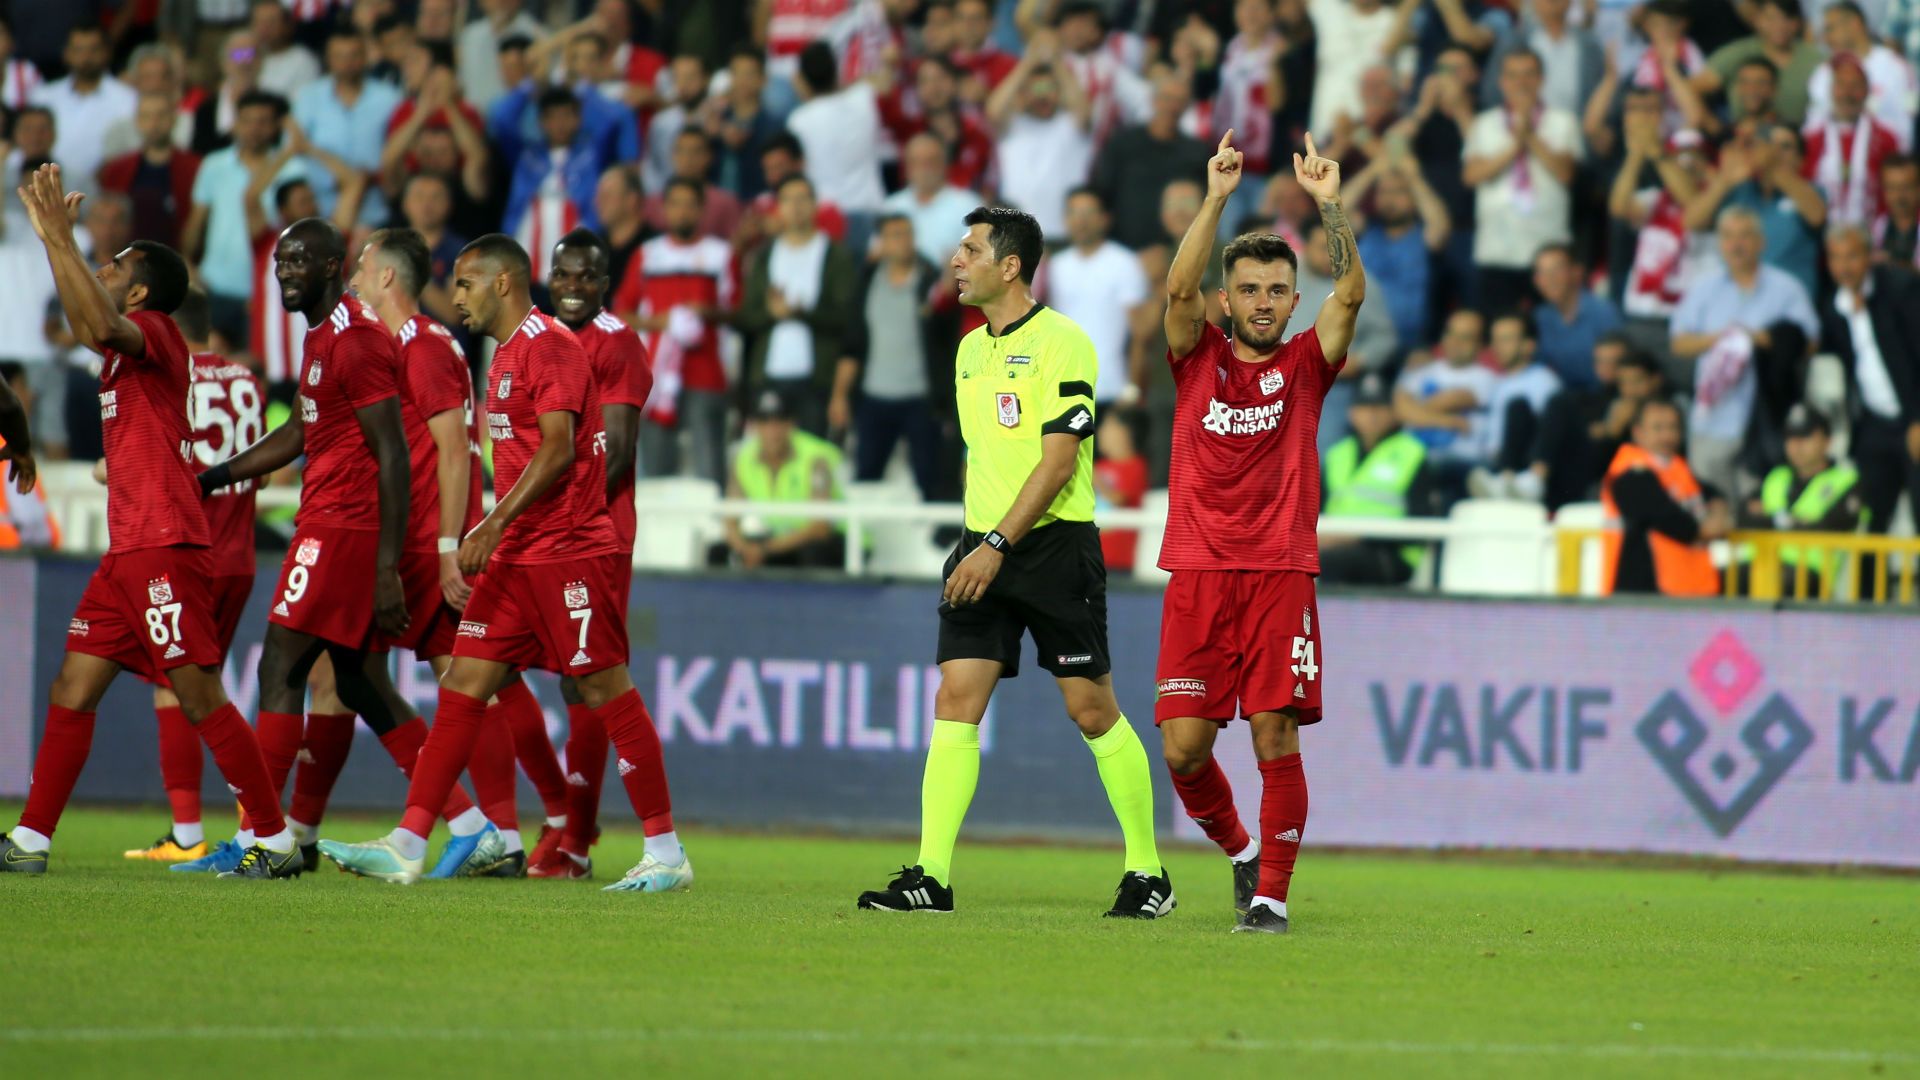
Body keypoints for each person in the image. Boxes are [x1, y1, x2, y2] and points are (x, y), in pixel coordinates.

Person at [318, 234, 688, 894]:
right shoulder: (504, 353)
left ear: (501, 285)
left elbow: (560, 451)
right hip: (520, 558)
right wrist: (501, 535)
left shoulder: (551, 346)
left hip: (570, 552)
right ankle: (408, 843)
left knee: (606, 691)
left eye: (463, 283)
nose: (453, 295)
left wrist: (490, 522)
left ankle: (665, 851)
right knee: (462, 685)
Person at [855, 204, 1169, 918]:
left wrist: (997, 546)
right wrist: (978, 541)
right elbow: (984, 458)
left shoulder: (1065, 343)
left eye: (970, 250)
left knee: (1091, 710)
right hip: (980, 547)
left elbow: (1059, 463)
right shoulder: (969, 348)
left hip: (1051, 547)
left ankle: (1149, 872)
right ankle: (931, 875)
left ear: (1011, 266)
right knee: (955, 701)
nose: (956, 261)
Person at [0, 164, 295, 878]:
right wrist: (52, 244)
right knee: (73, 686)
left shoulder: (158, 332)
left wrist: (62, 237)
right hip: (129, 547)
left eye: (117, 263)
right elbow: (84, 321)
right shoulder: (117, 349)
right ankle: (32, 839)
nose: (103, 266)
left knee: (197, 692)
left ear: (140, 294)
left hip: (164, 541)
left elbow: (95, 321)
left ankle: (275, 838)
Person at [197, 216, 488, 874]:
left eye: (299, 261)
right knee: (356, 681)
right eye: (279, 263)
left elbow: (393, 456)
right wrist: (216, 477)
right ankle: (469, 821)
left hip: (341, 528)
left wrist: (388, 565)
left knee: (281, 669)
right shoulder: (325, 338)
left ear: (332, 268)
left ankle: (264, 840)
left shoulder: (354, 341)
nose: (285, 273)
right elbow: (300, 432)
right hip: (337, 525)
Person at [1152, 130, 1362, 934]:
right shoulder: (1195, 357)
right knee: (1183, 749)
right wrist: (1215, 197)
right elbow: (1176, 293)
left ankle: (1271, 898)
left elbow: (1349, 298)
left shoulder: (1309, 364)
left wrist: (1329, 204)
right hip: (1200, 572)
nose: (1266, 301)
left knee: (1275, 734)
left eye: (1279, 288)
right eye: (1250, 289)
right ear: (1228, 300)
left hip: (1278, 571)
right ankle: (1241, 853)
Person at [348, 225, 541, 877]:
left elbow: (457, 450)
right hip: (421, 539)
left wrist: (448, 546)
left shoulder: (422, 348)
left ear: (385, 278)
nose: (351, 281)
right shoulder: (413, 344)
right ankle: (490, 831)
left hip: (432, 543)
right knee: (463, 681)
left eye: (360, 269)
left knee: (465, 681)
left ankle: (496, 832)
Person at [109, 288, 260, 864]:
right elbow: (257, 471)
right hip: (239, 555)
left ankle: (192, 831)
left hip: (185, 550)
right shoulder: (246, 380)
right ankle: (245, 821)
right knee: (202, 685)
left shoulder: (167, 373)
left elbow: (170, 461)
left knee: (174, 690)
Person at [528, 227, 657, 879]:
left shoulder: (618, 343)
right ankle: (558, 820)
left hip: (593, 536)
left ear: (604, 283)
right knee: (482, 668)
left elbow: (620, 451)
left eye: (586, 277)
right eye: (563, 276)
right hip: (536, 535)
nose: (572, 287)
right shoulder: (536, 340)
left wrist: (563, 520)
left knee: (586, 681)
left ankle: (573, 840)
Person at [1669, 206, 1820, 498]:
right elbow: (1678, 342)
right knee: (1711, 504)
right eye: (1728, 237)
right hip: (1714, 419)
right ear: (1719, 243)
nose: (1737, 244)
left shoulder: (1786, 288)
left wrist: (1762, 340)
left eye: (1745, 236)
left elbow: (1810, 342)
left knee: (1761, 507)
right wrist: (1722, 339)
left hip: (1767, 418)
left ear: (1761, 242)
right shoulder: (1703, 288)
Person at [612, 177, 738, 486]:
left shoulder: (721, 254)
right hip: (655, 376)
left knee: (710, 462)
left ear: (701, 210)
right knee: (656, 466)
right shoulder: (648, 254)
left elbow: (737, 311)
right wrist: (662, 322)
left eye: (690, 205)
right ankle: (660, 534)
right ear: (664, 209)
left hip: (706, 373)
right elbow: (621, 313)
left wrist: (707, 312)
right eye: (675, 204)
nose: (682, 212)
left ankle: (714, 531)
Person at [830, 213, 945, 495]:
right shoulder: (867, 283)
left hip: (921, 398)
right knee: (866, 479)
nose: (904, 241)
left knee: (930, 480)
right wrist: (840, 395)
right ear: (881, 242)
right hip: (873, 398)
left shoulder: (931, 282)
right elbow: (852, 344)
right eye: (895, 235)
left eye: (908, 233)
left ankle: (933, 539)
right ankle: (865, 539)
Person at [1820, 224, 1920, 546]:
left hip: (1914, 419)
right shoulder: (1833, 307)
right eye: (1836, 258)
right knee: (1867, 519)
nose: (1844, 267)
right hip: (1875, 425)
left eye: (1852, 256)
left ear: (1870, 257)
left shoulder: (1902, 290)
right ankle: (1864, 598)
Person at [1462, 49, 1582, 312]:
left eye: (1529, 75)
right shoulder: (1484, 123)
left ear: (1541, 79)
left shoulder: (1563, 122)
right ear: (1501, 82)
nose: (1521, 83)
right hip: (1496, 250)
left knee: (1549, 329)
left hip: (1547, 250)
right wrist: (1516, 143)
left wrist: (1530, 135)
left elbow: (1565, 173)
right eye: (1513, 76)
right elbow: (1472, 175)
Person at [184, 89, 306, 349]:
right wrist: (189, 264)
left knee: (256, 369)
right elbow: (196, 225)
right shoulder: (213, 165)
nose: (254, 128)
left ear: (276, 126)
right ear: (235, 124)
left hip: (265, 291)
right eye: (247, 120)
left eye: (263, 121)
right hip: (214, 286)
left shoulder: (293, 169)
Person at [738, 175, 856, 434]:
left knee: (814, 460)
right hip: (768, 375)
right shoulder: (764, 255)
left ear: (815, 205)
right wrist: (771, 312)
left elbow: (845, 317)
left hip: (816, 380)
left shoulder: (835, 255)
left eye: (803, 199)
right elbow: (747, 316)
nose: (796, 206)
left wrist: (800, 313)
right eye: (788, 200)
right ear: (778, 207)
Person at [1600, 397, 1729, 596]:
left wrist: (1718, 510)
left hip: (1686, 587)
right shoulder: (1630, 473)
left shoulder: (1676, 466)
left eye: (1673, 428)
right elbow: (1668, 518)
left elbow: (1711, 493)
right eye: (1658, 428)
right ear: (1638, 432)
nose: (1667, 436)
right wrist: (1708, 528)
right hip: (1641, 592)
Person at [1038, 187, 1150, 412]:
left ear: (1105, 218)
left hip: (1112, 390)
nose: (1080, 221)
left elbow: (1140, 333)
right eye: (1073, 213)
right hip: (1063, 390)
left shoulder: (1124, 263)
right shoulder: (1054, 266)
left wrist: (1133, 390)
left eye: (1088, 213)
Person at [1735, 404, 1864, 597]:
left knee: (1783, 580)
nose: (1797, 444)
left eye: (1806, 436)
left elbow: (1830, 526)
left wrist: (1771, 518)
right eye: (1790, 437)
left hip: (1811, 578)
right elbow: (1744, 517)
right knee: (1718, 576)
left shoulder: (1846, 479)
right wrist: (1794, 521)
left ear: (1827, 440)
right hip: (1761, 568)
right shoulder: (1776, 477)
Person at [713, 388, 849, 570]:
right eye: (765, 422)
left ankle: (819, 599)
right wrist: (745, 548)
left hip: (835, 538)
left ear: (792, 424)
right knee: (719, 552)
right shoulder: (744, 459)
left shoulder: (816, 459)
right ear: (755, 426)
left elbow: (820, 527)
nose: (773, 430)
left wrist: (765, 549)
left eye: (780, 422)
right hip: (782, 539)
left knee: (814, 553)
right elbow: (730, 520)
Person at [1293, 216, 1398, 449]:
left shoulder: (1360, 283)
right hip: (1275, 382)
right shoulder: (1282, 276)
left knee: (1320, 454)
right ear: (1305, 246)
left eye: (1336, 249)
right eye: (1322, 248)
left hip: (1331, 388)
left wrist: (1358, 361)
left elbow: (1385, 338)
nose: (1330, 256)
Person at [1320, 372, 1433, 585]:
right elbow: (1315, 511)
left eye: (1379, 407)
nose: (1371, 415)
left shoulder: (1412, 453)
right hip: (1333, 546)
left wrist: (1356, 537)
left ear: (1392, 413)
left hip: (1390, 554)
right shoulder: (1337, 454)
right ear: (1352, 413)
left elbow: (1420, 521)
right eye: (1365, 407)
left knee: (1333, 562)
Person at [984, 28, 1093, 238]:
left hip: (1066, 233)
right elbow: (993, 111)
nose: (1042, 96)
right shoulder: (1012, 126)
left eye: (1048, 89)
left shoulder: (1071, 124)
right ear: (1022, 93)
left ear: (1059, 92)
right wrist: (1028, 62)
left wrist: (1056, 62)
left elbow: (1084, 110)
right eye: (1036, 90)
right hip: (1017, 234)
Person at [1345, 144, 1451, 353]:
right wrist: (1373, 170)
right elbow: (1336, 208)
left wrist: (1413, 177)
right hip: (1363, 342)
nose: (1389, 199)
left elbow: (1440, 223)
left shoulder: (1424, 236)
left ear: (1414, 199)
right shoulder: (1365, 232)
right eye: (1383, 192)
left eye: (1399, 192)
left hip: (1412, 346)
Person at [1089, 71, 1212, 250]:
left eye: (1180, 101)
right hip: (1123, 248)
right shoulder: (1123, 143)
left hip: (1176, 251)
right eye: (1167, 98)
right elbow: (1102, 191)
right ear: (1154, 100)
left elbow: (1204, 203)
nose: (1173, 106)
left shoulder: (1196, 151)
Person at [292, 27, 403, 226]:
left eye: (354, 55)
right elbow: (295, 149)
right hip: (319, 208)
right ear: (328, 58)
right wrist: (330, 179)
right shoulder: (308, 96)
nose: (347, 63)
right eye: (339, 56)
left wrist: (373, 176)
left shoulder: (389, 98)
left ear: (366, 56)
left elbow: (399, 148)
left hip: (376, 208)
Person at [1395, 309, 1496, 496]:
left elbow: (1451, 400)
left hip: (1460, 463)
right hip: (1412, 460)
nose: (1455, 342)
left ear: (1480, 344)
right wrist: (1450, 422)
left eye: (1465, 337)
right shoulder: (1421, 370)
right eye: (1451, 333)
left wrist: (1415, 411)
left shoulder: (1486, 379)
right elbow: (1400, 411)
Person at [30, 24, 135, 197]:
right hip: (46, 190)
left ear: (107, 52)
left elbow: (129, 150)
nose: (86, 57)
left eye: (93, 50)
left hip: (104, 192)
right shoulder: (44, 96)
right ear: (66, 53)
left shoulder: (128, 99)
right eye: (78, 50)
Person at [1467, 313, 1563, 497]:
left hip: (1523, 465)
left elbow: (1549, 430)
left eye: (1505, 340)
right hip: (1490, 460)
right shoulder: (1498, 382)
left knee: (1517, 407)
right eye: (1494, 340)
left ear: (1529, 345)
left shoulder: (1543, 381)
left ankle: (1516, 482)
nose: (1497, 347)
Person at [1804, 1, 1917, 151]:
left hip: (1882, 159)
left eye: (1830, 29)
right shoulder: (1823, 72)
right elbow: (1813, 125)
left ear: (1854, 24)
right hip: (1830, 161)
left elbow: (1906, 127)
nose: (1825, 38)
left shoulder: (1895, 68)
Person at [97, 92, 202, 250]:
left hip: (177, 257)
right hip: (126, 260)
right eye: (147, 116)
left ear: (174, 119)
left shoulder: (196, 168)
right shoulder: (116, 170)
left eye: (161, 115)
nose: (154, 123)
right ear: (137, 121)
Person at [1693, 0, 1820, 129]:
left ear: (1798, 22)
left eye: (1787, 18)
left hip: (1798, 141)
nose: (1779, 25)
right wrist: (1717, 130)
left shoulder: (1815, 59)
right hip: (1743, 139)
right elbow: (1694, 88)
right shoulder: (1738, 53)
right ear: (1757, 19)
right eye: (1771, 18)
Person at [881, 132, 981, 269]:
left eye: (930, 161)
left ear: (944, 163)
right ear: (907, 167)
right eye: (916, 162)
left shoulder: (969, 206)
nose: (923, 169)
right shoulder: (891, 207)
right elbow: (876, 255)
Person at [1530, 243, 1622, 388]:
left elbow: (1619, 365)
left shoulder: (1603, 312)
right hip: (1564, 398)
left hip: (1604, 393)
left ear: (1576, 272)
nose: (1550, 279)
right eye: (1543, 273)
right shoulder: (1540, 317)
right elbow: (1538, 367)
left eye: (1556, 270)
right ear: (1536, 281)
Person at [643, 128, 742, 240]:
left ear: (709, 156)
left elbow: (733, 245)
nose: (688, 158)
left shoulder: (726, 203)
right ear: (672, 155)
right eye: (681, 151)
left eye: (696, 152)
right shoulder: (653, 203)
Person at [1873, 154, 1920, 266]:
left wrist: (1892, 262)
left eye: (1906, 187)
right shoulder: (1876, 227)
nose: (1899, 196)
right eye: (1891, 188)